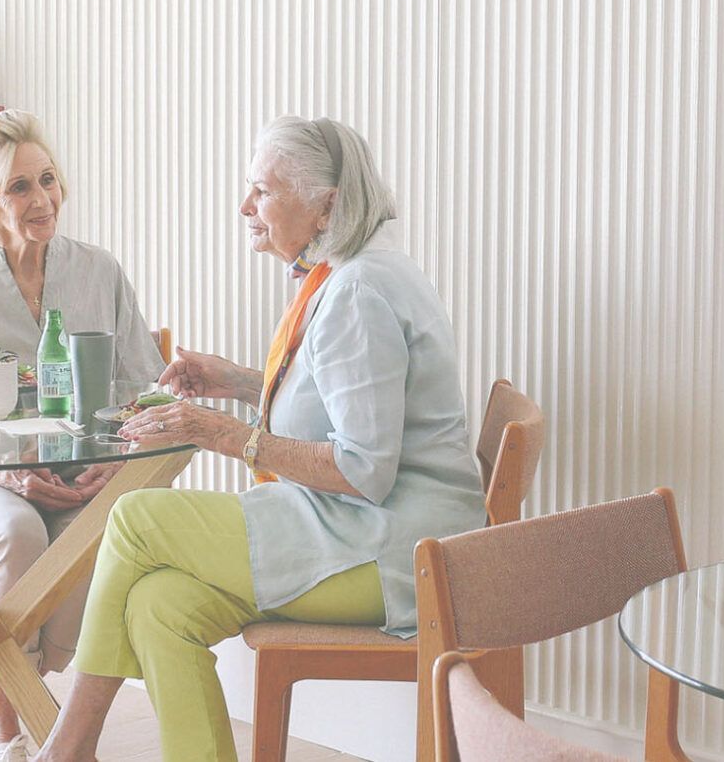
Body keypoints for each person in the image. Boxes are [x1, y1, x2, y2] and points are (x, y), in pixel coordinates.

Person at [32, 117, 486, 762]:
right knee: (161, 605)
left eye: (263, 192)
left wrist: (223, 433)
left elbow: (364, 470)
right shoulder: (351, 272)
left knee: (135, 518)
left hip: (399, 552)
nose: (246, 206)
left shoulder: (356, 292)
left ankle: (66, 751)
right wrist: (241, 382)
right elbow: (341, 407)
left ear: (325, 204)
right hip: (362, 527)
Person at [0, 110, 165, 762]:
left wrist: (121, 458)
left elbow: (144, 389)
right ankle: (5, 734)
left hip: (80, 473)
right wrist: (2, 473)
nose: (41, 199)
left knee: (97, 533)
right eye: (19, 187)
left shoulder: (99, 273)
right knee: (21, 535)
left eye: (46, 180)